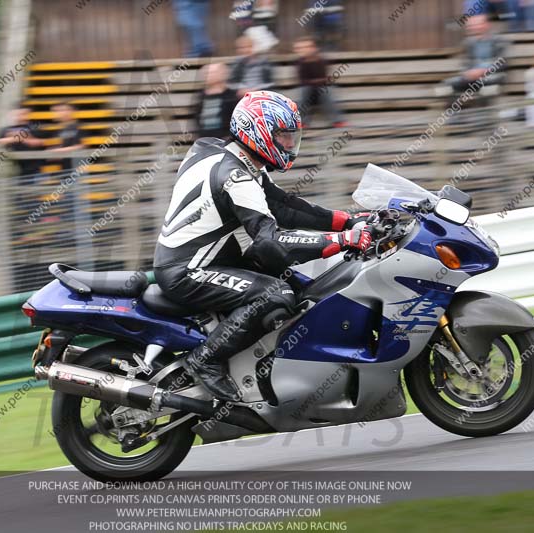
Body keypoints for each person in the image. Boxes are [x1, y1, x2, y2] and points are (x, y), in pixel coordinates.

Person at [153, 90, 374, 400]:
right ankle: (204, 360)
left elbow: (282, 206)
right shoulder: (235, 177)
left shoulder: (222, 153)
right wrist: (342, 240)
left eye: (292, 136)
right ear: (256, 131)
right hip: (188, 270)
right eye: (283, 136)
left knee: (295, 280)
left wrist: (347, 221)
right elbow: (271, 242)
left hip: (207, 259)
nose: (290, 144)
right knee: (275, 295)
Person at [444, 14, 506, 103]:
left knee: (488, 86)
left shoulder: (499, 41)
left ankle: (477, 101)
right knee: (448, 84)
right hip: (472, 78)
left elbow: (502, 62)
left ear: (487, 24)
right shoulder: (468, 43)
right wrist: (468, 73)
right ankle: (462, 105)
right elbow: (465, 64)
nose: (475, 27)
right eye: (473, 25)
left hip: (491, 76)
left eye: (478, 24)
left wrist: (484, 71)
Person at [294, 37, 346, 128]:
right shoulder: (299, 63)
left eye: (307, 47)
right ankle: (302, 121)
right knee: (305, 90)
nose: (304, 50)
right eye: (300, 48)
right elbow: (303, 81)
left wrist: (315, 82)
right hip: (308, 95)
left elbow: (325, 79)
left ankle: (337, 120)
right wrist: (316, 81)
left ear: (314, 48)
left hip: (322, 93)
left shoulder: (322, 61)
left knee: (325, 89)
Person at [0, 107, 46, 177]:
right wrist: (20, 138)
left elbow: (40, 142)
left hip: (35, 168)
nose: (19, 116)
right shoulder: (6, 129)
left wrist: (18, 138)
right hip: (14, 168)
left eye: (23, 114)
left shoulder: (35, 126)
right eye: (17, 114)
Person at [193, 63, 238, 139]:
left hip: (224, 138)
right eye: (206, 73)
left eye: (212, 73)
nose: (208, 75)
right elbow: (197, 116)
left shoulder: (231, 95)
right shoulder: (201, 96)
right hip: (205, 138)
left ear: (222, 74)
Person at [228, 35, 274, 99]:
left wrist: (254, 90)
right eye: (241, 48)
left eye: (249, 47)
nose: (245, 50)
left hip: (261, 94)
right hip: (242, 96)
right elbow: (232, 83)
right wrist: (241, 89)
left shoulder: (263, 63)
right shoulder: (237, 64)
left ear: (255, 47)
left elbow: (269, 83)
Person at [48, 103, 84, 171]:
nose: (59, 113)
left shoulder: (80, 126)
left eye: (62, 110)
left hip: (76, 168)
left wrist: (58, 151)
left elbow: (81, 146)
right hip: (61, 169)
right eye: (56, 111)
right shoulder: (57, 129)